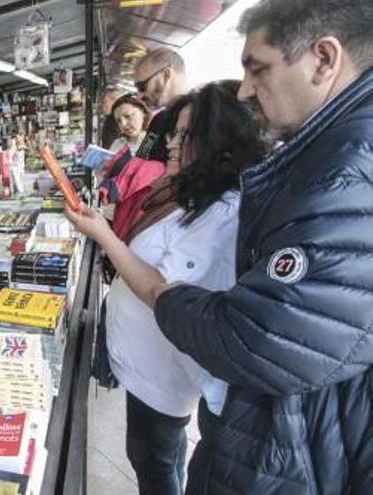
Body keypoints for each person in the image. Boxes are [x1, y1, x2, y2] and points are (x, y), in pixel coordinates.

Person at [136, 0, 373, 493]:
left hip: (295, 449)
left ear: (324, 59)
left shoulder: (345, 170)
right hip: (293, 436)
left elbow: (258, 340)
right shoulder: (329, 156)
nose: (246, 89)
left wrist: (165, 295)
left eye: (257, 68)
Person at [65, 81, 265, 495]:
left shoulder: (222, 217)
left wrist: (105, 237)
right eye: (173, 132)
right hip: (148, 376)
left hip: (162, 382)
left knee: (155, 463)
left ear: (217, 142)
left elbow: (163, 290)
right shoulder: (193, 198)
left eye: (184, 135)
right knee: (153, 458)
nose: (171, 142)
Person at [133, 48, 191, 162]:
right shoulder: (157, 121)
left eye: (142, 86)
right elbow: (141, 158)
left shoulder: (205, 115)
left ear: (165, 75)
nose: (139, 97)